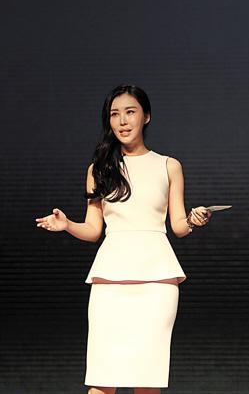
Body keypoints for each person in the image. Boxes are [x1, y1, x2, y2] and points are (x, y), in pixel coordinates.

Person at [34, 84, 213, 394]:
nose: (122, 121)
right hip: (110, 278)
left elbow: (178, 226)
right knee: (102, 381)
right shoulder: (99, 169)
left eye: (130, 112)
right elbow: (93, 230)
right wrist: (67, 225)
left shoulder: (169, 166)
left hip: (157, 280)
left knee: (147, 382)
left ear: (146, 116)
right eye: (115, 114)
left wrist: (194, 219)